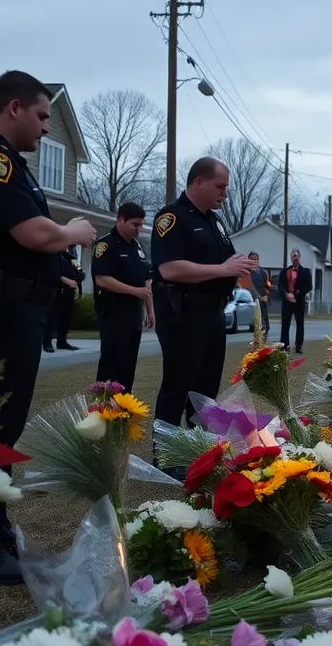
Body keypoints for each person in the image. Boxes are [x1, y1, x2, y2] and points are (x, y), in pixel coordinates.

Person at [0, 70, 97, 584]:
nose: (46, 129)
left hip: (13, 309)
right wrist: (72, 232)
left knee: (0, 425)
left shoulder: (9, 164)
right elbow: (32, 232)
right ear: (13, 108)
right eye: (40, 116)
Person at [151, 158, 256, 441]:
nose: (225, 193)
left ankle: (197, 446)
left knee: (206, 386)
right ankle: (168, 450)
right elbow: (169, 267)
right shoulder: (172, 218)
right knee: (179, 383)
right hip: (183, 312)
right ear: (199, 182)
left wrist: (237, 264)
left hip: (213, 311)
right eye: (220, 186)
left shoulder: (214, 221)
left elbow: (224, 260)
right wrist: (223, 269)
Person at [91, 202, 153, 393]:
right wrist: (134, 291)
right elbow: (102, 279)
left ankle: (124, 412)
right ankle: (101, 413)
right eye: (135, 224)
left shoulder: (137, 247)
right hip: (113, 313)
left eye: (141, 225)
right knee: (111, 364)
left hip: (134, 314)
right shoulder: (105, 245)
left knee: (128, 366)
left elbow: (146, 280)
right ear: (120, 220)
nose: (138, 229)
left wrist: (150, 310)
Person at [45, 246, 84, 352]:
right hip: (57, 291)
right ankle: (47, 342)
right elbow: (51, 273)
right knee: (52, 317)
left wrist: (76, 280)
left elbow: (80, 272)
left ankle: (62, 341)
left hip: (69, 292)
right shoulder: (54, 256)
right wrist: (64, 280)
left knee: (66, 318)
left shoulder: (72, 258)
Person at [278, 249, 312, 353]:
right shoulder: (284, 271)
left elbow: (309, 287)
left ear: (299, 257)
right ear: (291, 258)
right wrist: (286, 294)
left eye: (296, 256)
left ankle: (299, 346)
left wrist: (298, 292)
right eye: (293, 256)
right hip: (287, 302)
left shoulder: (306, 272)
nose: (295, 257)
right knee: (285, 324)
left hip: (299, 302)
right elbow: (280, 286)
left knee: (300, 324)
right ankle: (284, 345)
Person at [247, 251, 270, 334]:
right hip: (251, 300)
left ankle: (263, 341)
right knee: (256, 324)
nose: (254, 261)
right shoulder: (246, 272)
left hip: (262, 300)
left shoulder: (263, 272)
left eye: (256, 259)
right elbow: (247, 285)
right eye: (252, 259)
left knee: (265, 324)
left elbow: (267, 284)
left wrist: (267, 294)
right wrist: (257, 296)